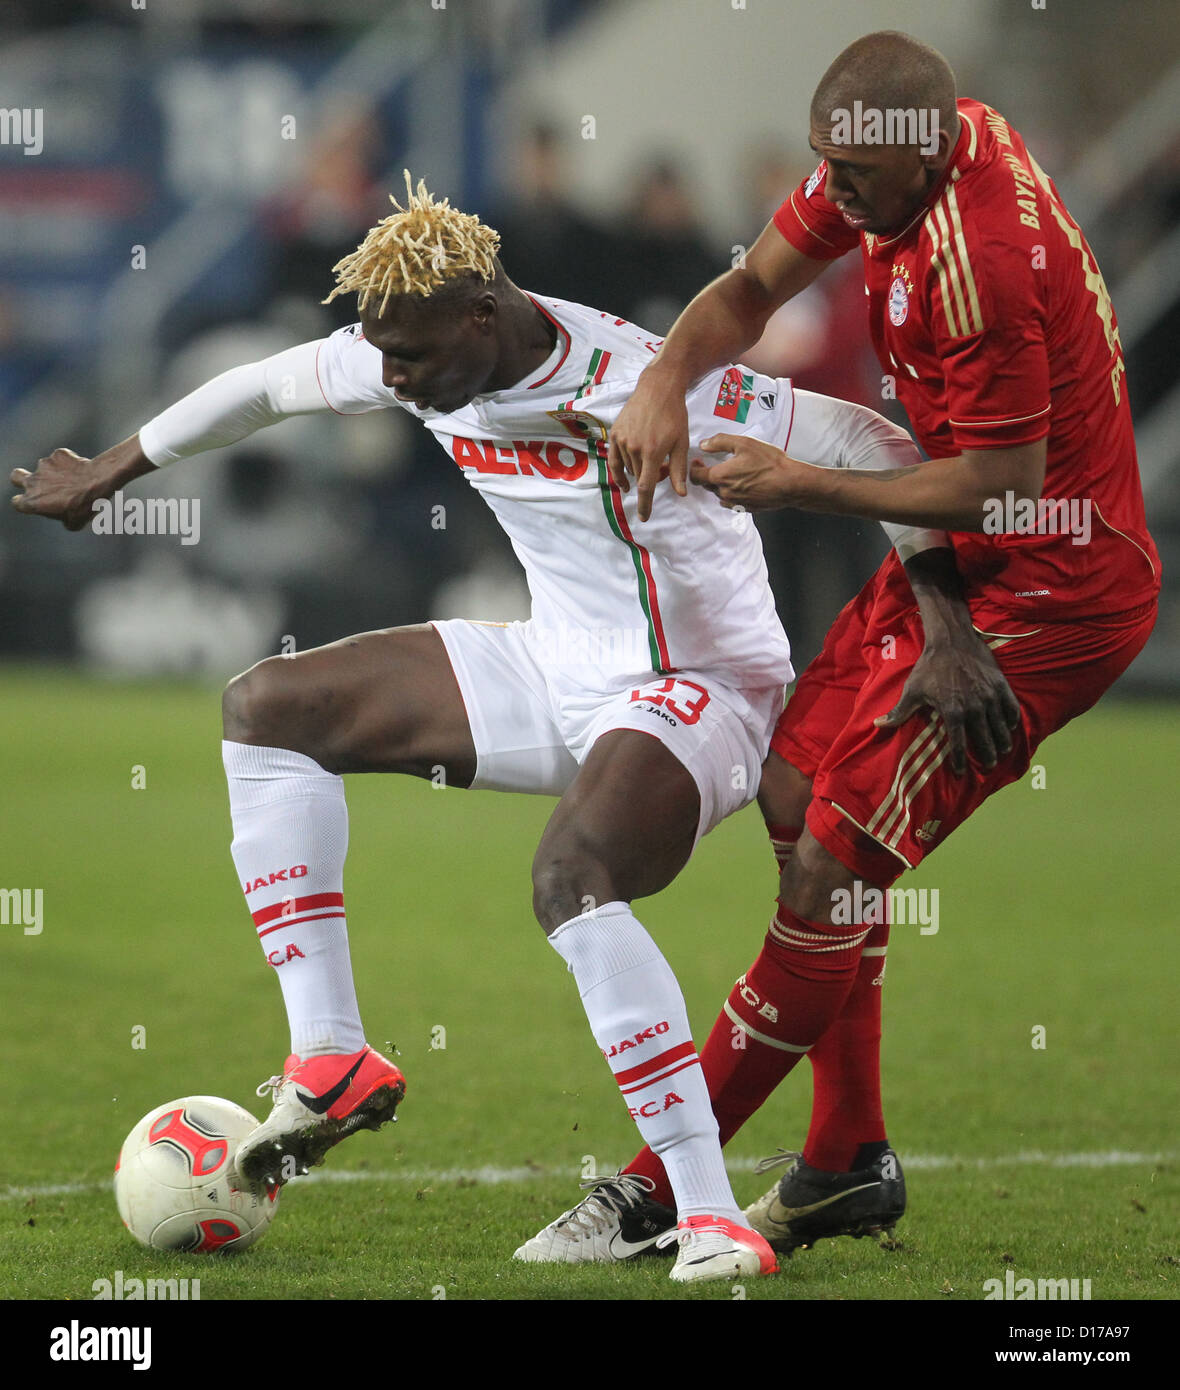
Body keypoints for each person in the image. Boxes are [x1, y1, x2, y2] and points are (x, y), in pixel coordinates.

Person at [10, 173, 1001, 1284]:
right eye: (382, 355)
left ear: (483, 315)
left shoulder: (642, 379)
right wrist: (112, 468)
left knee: (570, 876)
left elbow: (869, 438)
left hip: (701, 690)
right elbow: (263, 387)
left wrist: (944, 620)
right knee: (267, 709)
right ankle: (330, 1054)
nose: (394, 379)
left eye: (414, 358)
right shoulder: (415, 346)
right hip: (555, 662)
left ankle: (709, 1211)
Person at [515, 30, 1160, 1265]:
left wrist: (798, 481)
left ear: (920, 156)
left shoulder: (983, 262)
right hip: (970, 554)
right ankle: (843, 1159)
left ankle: (657, 1186)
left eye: (851, 178)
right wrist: (660, 383)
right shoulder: (880, 151)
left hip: (1058, 583)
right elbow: (747, 290)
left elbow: (1003, 487)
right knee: (791, 784)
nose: (832, 194)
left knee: (830, 860)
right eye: (827, 169)